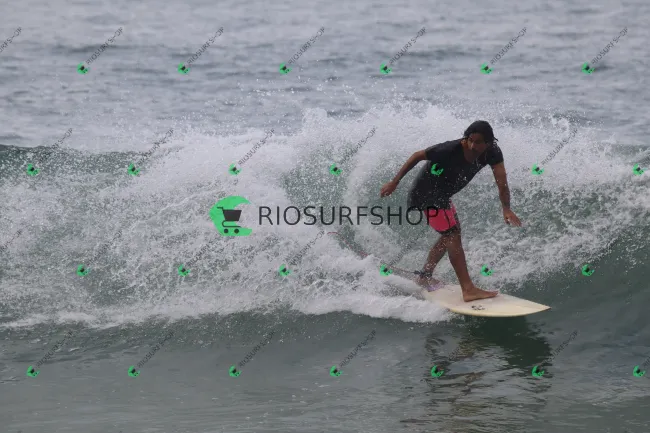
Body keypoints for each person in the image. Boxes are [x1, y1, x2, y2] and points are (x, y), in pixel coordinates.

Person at [379, 120, 522, 302]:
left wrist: (506, 208)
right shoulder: (450, 149)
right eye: (470, 140)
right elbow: (418, 155)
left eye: (478, 142)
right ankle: (468, 289)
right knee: (451, 234)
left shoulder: (493, 152)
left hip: (442, 196)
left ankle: (425, 276)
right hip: (426, 193)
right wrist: (394, 182)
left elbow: (502, 182)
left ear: (489, 142)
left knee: (451, 234)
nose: (472, 145)